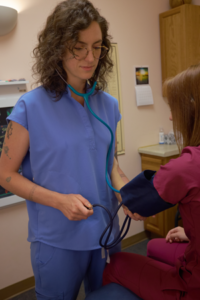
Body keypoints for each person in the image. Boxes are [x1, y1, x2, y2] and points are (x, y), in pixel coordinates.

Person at [0, 1, 130, 299]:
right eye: (78, 47)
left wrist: (128, 193)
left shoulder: (107, 105)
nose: (90, 57)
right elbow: (5, 175)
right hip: (57, 240)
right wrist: (59, 201)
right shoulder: (29, 107)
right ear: (58, 48)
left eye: (97, 47)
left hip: (106, 234)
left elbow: (111, 165)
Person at [85, 63, 200, 300]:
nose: (170, 116)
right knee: (153, 246)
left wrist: (111, 162)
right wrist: (192, 232)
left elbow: (136, 204)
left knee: (116, 262)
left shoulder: (186, 166)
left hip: (194, 283)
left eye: (172, 107)